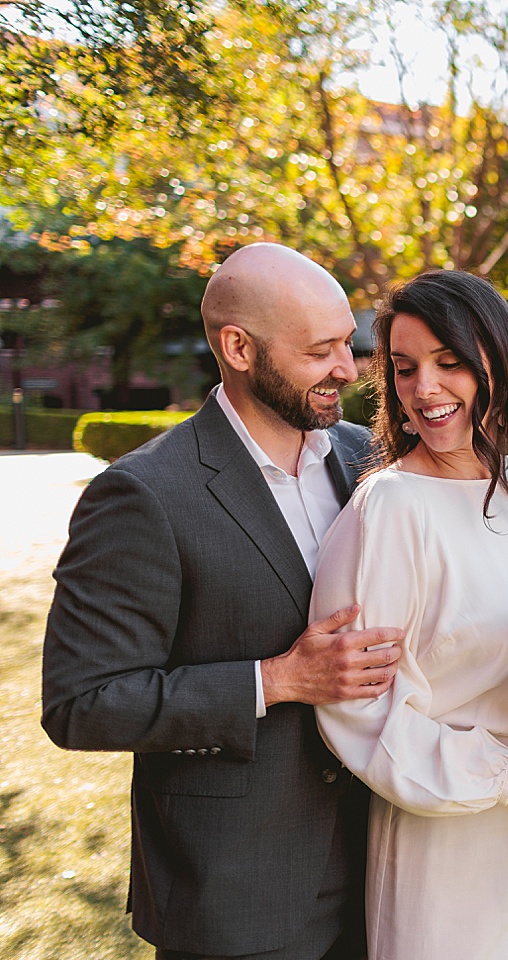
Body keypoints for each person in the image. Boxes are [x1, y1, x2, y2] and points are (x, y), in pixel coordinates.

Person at [42, 243, 404, 960]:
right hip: (235, 899)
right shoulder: (143, 494)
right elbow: (80, 703)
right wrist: (276, 681)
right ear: (238, 348)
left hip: (385, 879)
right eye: (321, 349)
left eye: (349, 344)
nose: (348, 368)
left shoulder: (371, 462)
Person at [312, 270, 508, 960]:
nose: (423, 388)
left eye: (448, 362)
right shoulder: (389, 509)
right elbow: (359, 710)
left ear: (499, 360)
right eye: (404, 368)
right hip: (449, 834)